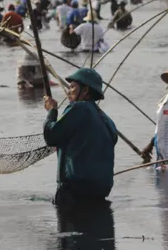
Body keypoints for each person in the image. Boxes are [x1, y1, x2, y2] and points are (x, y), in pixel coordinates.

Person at [43, 68, 118, 206]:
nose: (68, 91)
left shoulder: (78, 108)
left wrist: (51, 111)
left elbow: (50, 136)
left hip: (74, 194)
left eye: (72, 87)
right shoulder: (108, 122)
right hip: (99, 194)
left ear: (85, 91)